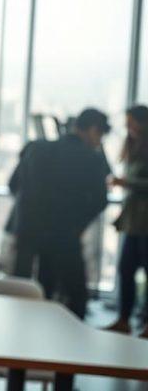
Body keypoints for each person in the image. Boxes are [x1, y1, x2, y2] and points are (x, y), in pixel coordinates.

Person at [7, 107, 111, 320]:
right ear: (93, 130)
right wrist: (78, 225)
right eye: (100, 135)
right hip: (64, 233)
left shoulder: (35, 148)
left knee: (19, 287)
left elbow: (13, 185)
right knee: (72, 294)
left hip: (28, 229)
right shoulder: (92, 159)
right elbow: (100, 201)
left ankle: (16, 336)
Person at [105, 105, 148, 338]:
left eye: (132, 122)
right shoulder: (133, 146)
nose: (128, 127)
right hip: (133, 222)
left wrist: (127, 182)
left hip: (145, 224)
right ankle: (124, 319)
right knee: (125, 269)